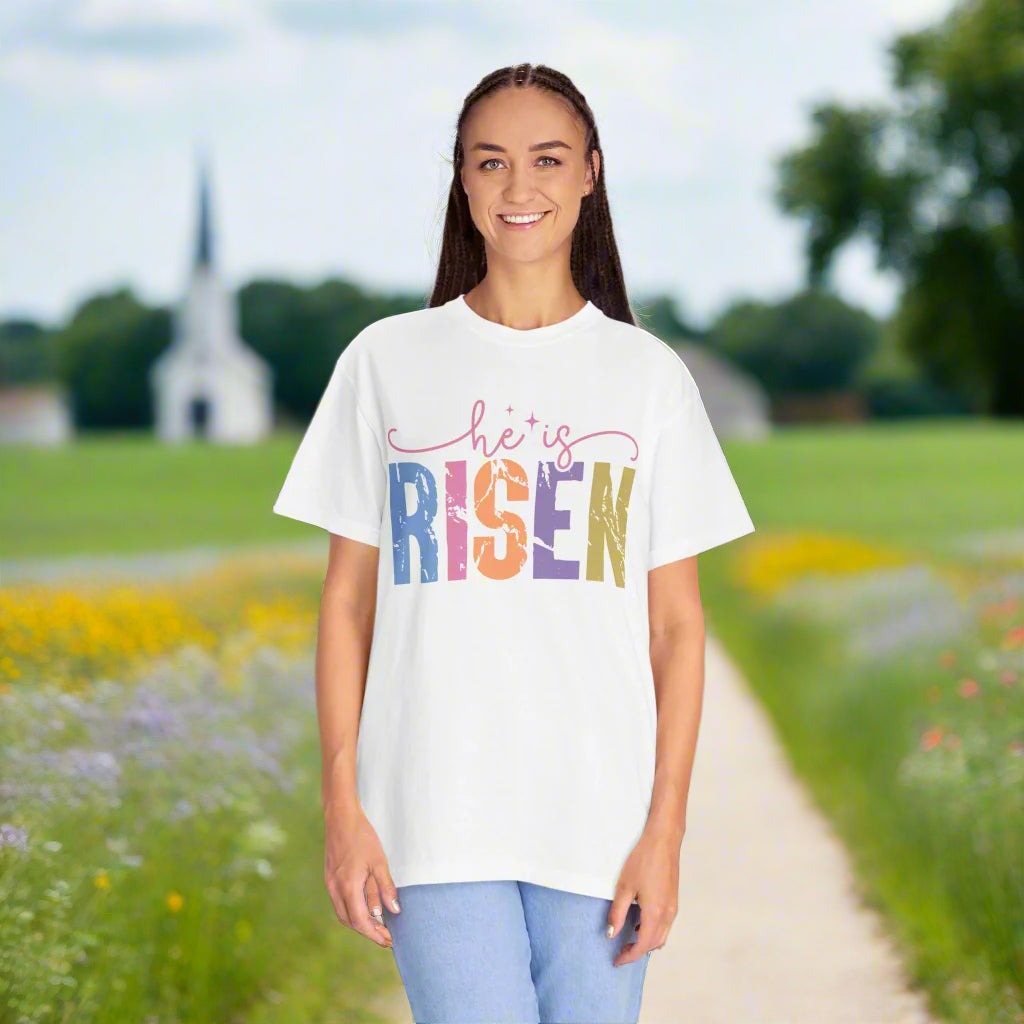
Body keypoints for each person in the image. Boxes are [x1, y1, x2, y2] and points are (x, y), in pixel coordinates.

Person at [272, 62, 755, 1024]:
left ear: (591, 173)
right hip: (432, 817)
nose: (519, 188)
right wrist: (343, 809)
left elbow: (676, 629)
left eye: (547, 159)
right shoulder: (384, 363)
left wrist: (665, 830)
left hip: (601, 825)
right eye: (491, 162)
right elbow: (346, 606)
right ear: (461, 178)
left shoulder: (648, 378)